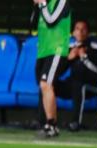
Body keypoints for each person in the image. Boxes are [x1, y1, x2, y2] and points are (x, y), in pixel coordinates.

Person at [55, 20, 97, 132]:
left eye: (83, 29)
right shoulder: (70, 47)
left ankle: (75, 122)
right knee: (49, 85)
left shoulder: (96, 48)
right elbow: (59, 72)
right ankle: (46, 121)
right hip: (73, 85)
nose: (80, 32)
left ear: (88, 32)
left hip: (91, 86)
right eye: (77, 29)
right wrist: (69, 58)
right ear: (73, 32)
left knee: (79, 85)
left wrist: (84, 58)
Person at [32, 0, 71, 138]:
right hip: (43, 51)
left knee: (46, 84)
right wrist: (37, 7)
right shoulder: (45, 4)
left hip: (57, 49)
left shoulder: (62, 2)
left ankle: (50, 125)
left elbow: (51, 21)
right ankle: (49, 124)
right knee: (45, 87)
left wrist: (42, 4)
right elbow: (32, 24)